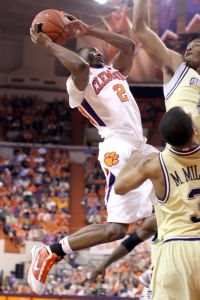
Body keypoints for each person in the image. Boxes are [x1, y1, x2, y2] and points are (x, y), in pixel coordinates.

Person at [28, 15, 157, 295]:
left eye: (97, 51)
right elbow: (77, 64)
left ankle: (157, 268)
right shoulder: (78, 84)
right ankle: (50, 252)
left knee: (172, 199)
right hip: (118, 148)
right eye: (90, 50)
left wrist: (90, 30)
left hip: (141, 145)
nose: (96, 52)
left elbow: (129, 47)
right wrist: (48, 43)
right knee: (116, 230)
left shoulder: (114, 72)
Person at [115, 106, 200, 300]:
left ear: (166, 141)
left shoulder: (153, 164)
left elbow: (120, 188)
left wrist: (135, 156)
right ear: (194, 131)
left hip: (176, 249)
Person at [132, 0, 200, 142]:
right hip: (181, 152)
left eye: (196, 45)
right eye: (189, 46)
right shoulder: (177, 66)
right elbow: (140, 29)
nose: (189, 48)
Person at [90, 214, 157, 287]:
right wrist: (103, 266)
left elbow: (130, 242)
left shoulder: (154, 220)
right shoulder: (154, 220)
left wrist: (103, 265)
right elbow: (129, 243)